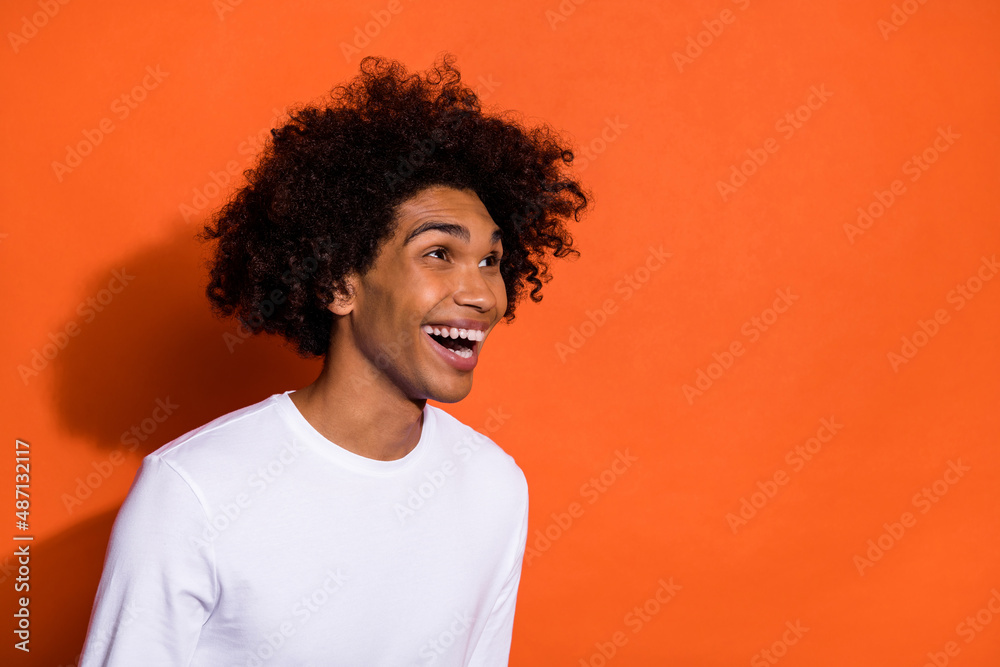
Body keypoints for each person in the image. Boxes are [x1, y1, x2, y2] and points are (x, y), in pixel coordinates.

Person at [79, 53, 589, 666]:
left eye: (489, 261)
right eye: (437, 254)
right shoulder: (192, 493)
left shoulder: (493, 487)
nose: (482, 294)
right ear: (338, 285)